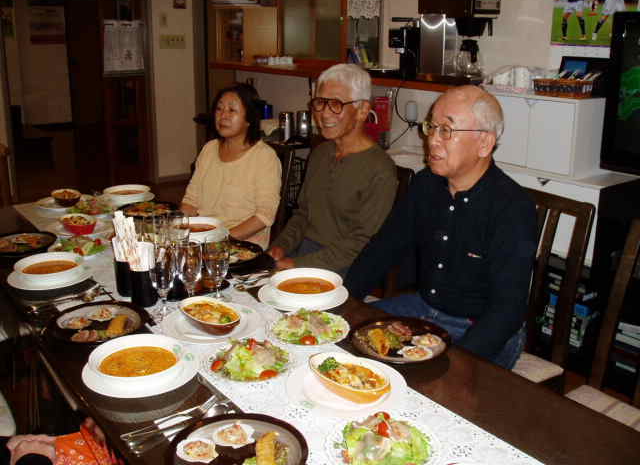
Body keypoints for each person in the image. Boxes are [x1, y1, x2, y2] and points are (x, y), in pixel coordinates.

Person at [344, 86, 537, 370]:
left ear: (484, 143)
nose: (432, 140)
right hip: (423, 310)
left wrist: (455, 363)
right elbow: (384, 247)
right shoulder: (426, 184)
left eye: (446, 130)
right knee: (344, 338)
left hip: (481, 328)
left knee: (429, 381)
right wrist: (345, 304)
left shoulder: (512, 208)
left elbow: (506, 311)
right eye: (431, 127)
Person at [267, 64, 397, 275]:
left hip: (346, 268)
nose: (324, 113)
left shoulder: (381, 170)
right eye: (320, 103)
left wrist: (296, 265)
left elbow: (360, 242)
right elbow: (303, 214)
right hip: (304, 255)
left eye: (336, 104)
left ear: (363, 110)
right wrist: (280, 247)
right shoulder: (321, 153)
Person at [181, 83, 281, 250]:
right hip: (203, 241)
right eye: (219, 109)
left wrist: (221, 241)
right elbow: (191, 201)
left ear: (249, 118)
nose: (223, 116)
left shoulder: (265, 157)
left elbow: (264, 216)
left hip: (241, 247)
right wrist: (176, 230)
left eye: (232, 110)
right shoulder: (209, 149)